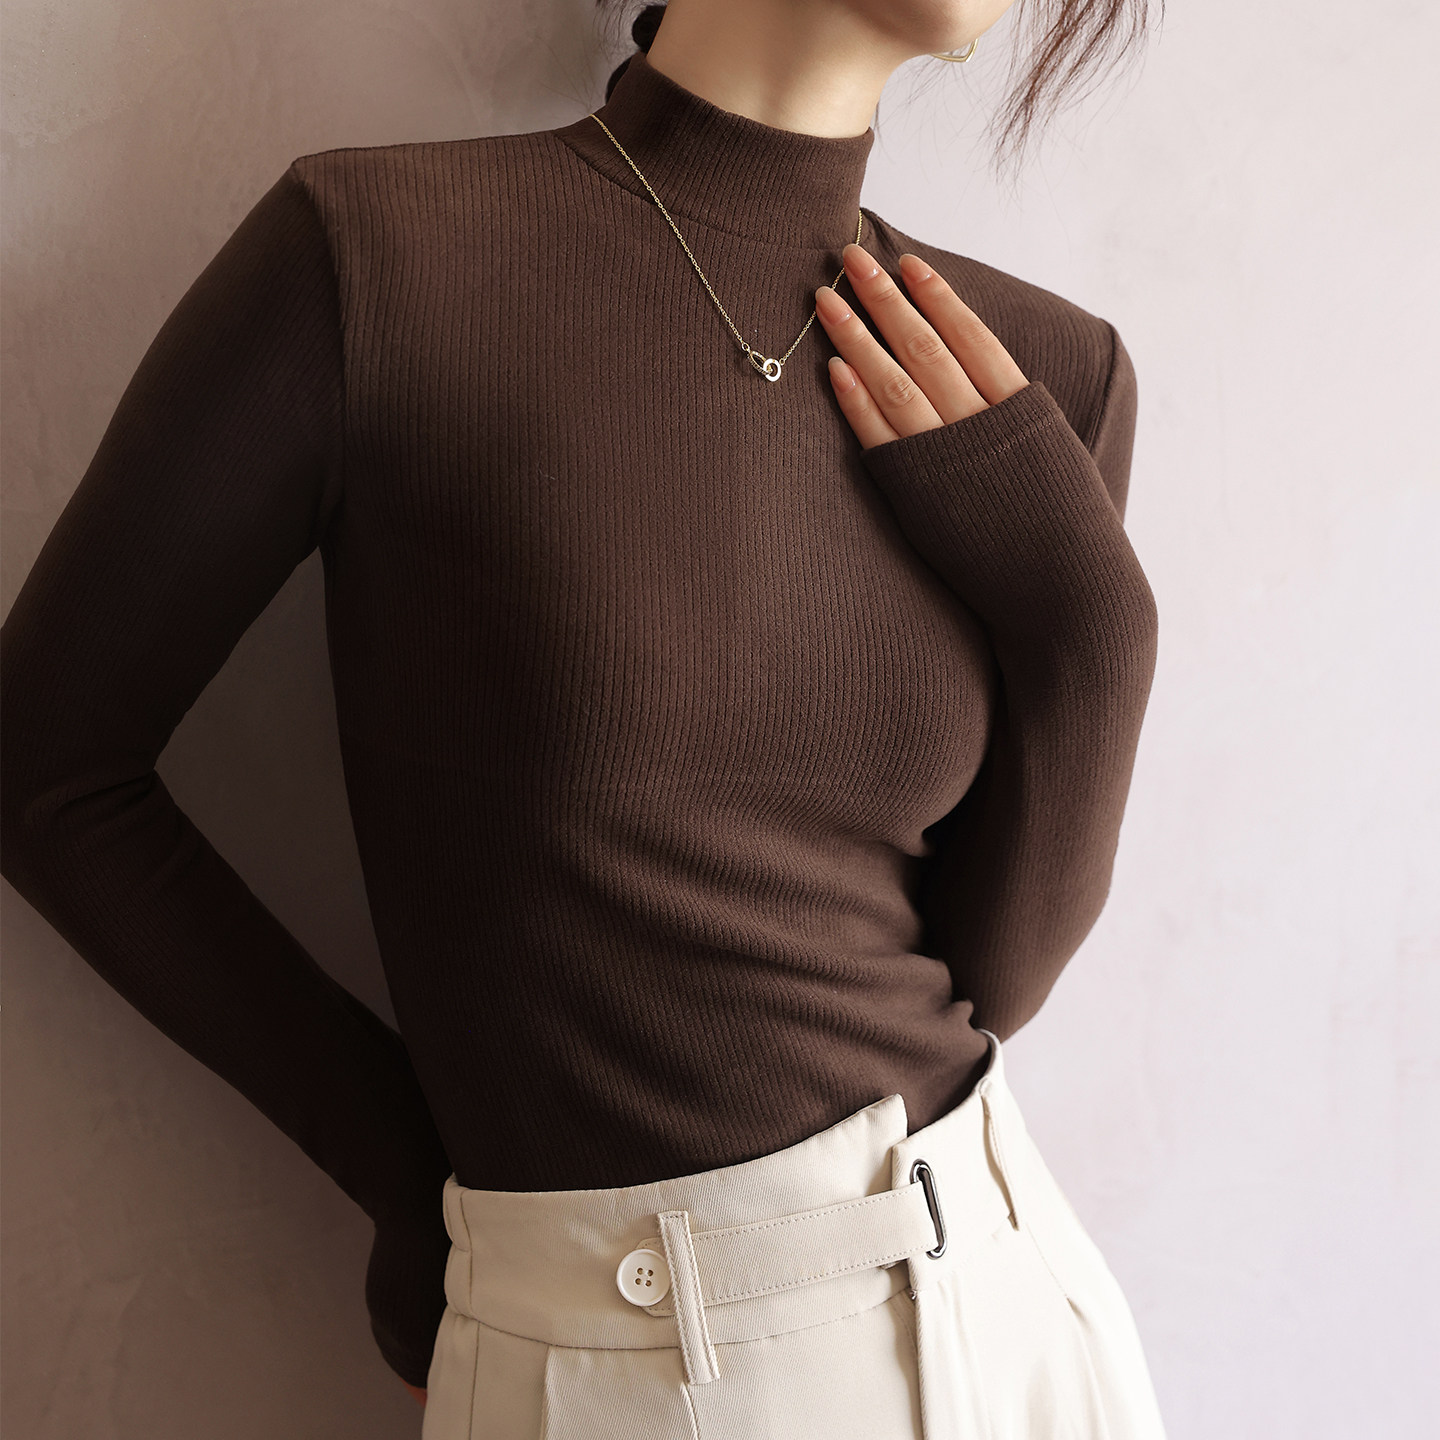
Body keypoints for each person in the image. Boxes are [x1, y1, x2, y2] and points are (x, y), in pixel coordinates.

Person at [0, 0, 1169, 1434]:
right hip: (621, 1355)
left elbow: (985, 986)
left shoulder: (1041, 376)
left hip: (1012, 1309)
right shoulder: (382, 259)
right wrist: (406, 1172)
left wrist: (1096, 632)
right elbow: (47, 769)